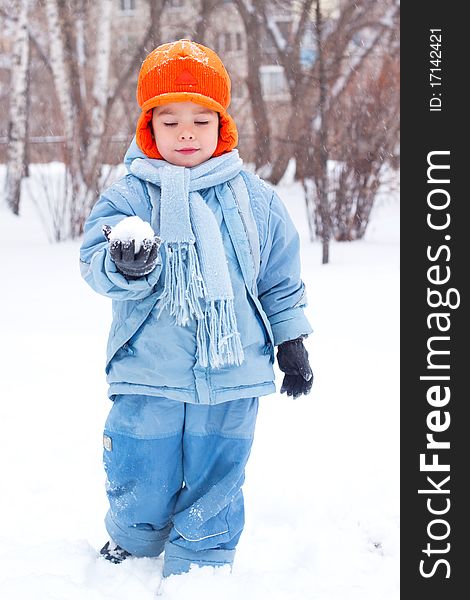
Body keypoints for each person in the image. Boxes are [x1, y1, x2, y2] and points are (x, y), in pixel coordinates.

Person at [80, 39, 313, 578]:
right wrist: (126, 266)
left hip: (233, 371)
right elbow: (94, 259)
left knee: (219, 473)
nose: (187, 133)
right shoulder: (133, 196)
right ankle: (135, 542)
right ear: (149, 129)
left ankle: (203, 562)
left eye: (201, 120)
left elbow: (279, 276)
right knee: (141, 466)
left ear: (222, 127)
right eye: (171, 121)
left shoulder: (255, 199)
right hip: (149, 369)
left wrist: (291, 340)